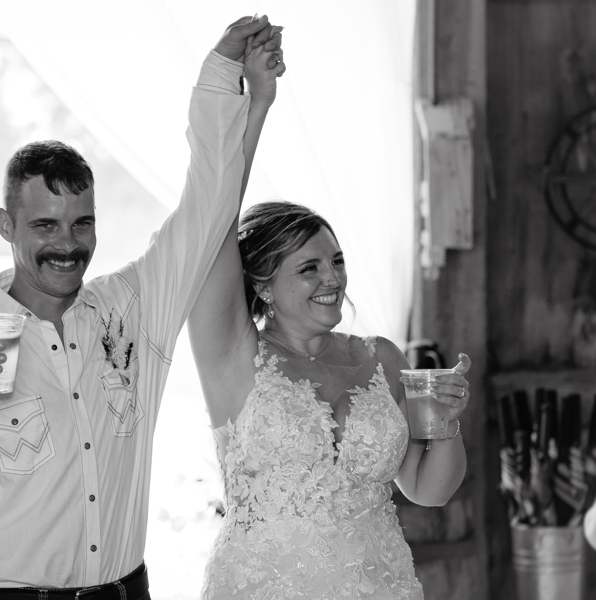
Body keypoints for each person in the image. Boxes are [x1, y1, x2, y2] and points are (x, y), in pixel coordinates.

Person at [0, 16, 285, 600]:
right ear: (6, 227)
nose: (68, 245)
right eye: (44, 225)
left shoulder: (136, 308)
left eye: (81, 223)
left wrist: (222, 75)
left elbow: (208, 203)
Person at [187, 76, 471, 600]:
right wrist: (258, 106)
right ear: (262, 286)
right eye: (309, 268)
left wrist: (447, 426)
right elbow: (211, 218)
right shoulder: (233, 356)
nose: (333, 279)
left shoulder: (381, 356)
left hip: (380, 586)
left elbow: (428, 490)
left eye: (337, 261)